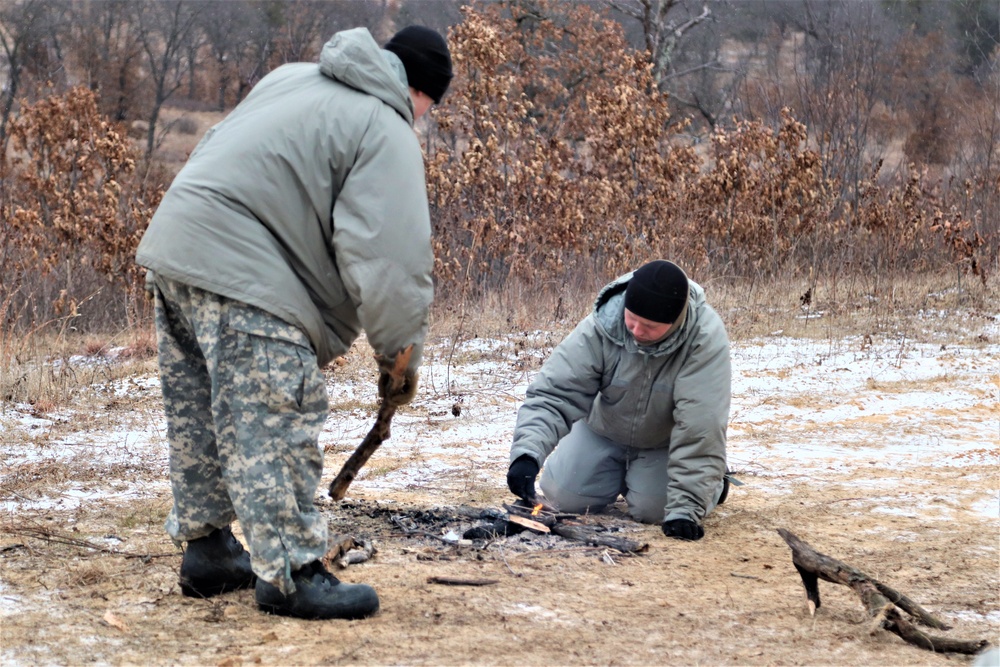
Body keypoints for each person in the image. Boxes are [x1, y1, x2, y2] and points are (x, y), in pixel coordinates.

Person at [134, 25, 453, 620]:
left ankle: (208, 551)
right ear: (422, 93)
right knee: (273, 419)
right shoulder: (385, 126)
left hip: (178, 250)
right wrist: (399, 361)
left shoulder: (292, 79)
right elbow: (391, 261)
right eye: (429, 108)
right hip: (250, 275)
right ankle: (291, 575)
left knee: (202, 411)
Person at [506, 260, 731, 541]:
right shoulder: (601, 324)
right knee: (565, 498)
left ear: (675, 323)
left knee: (655, 511)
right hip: (601, 431)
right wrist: (527, 454)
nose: (636, 330)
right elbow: (554, 393)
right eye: (632, 318)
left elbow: (701, 425)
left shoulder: (704, 339)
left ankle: (714, 484)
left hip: (663, 442)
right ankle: (616, 474)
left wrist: (686, 507)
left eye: (649, 326)